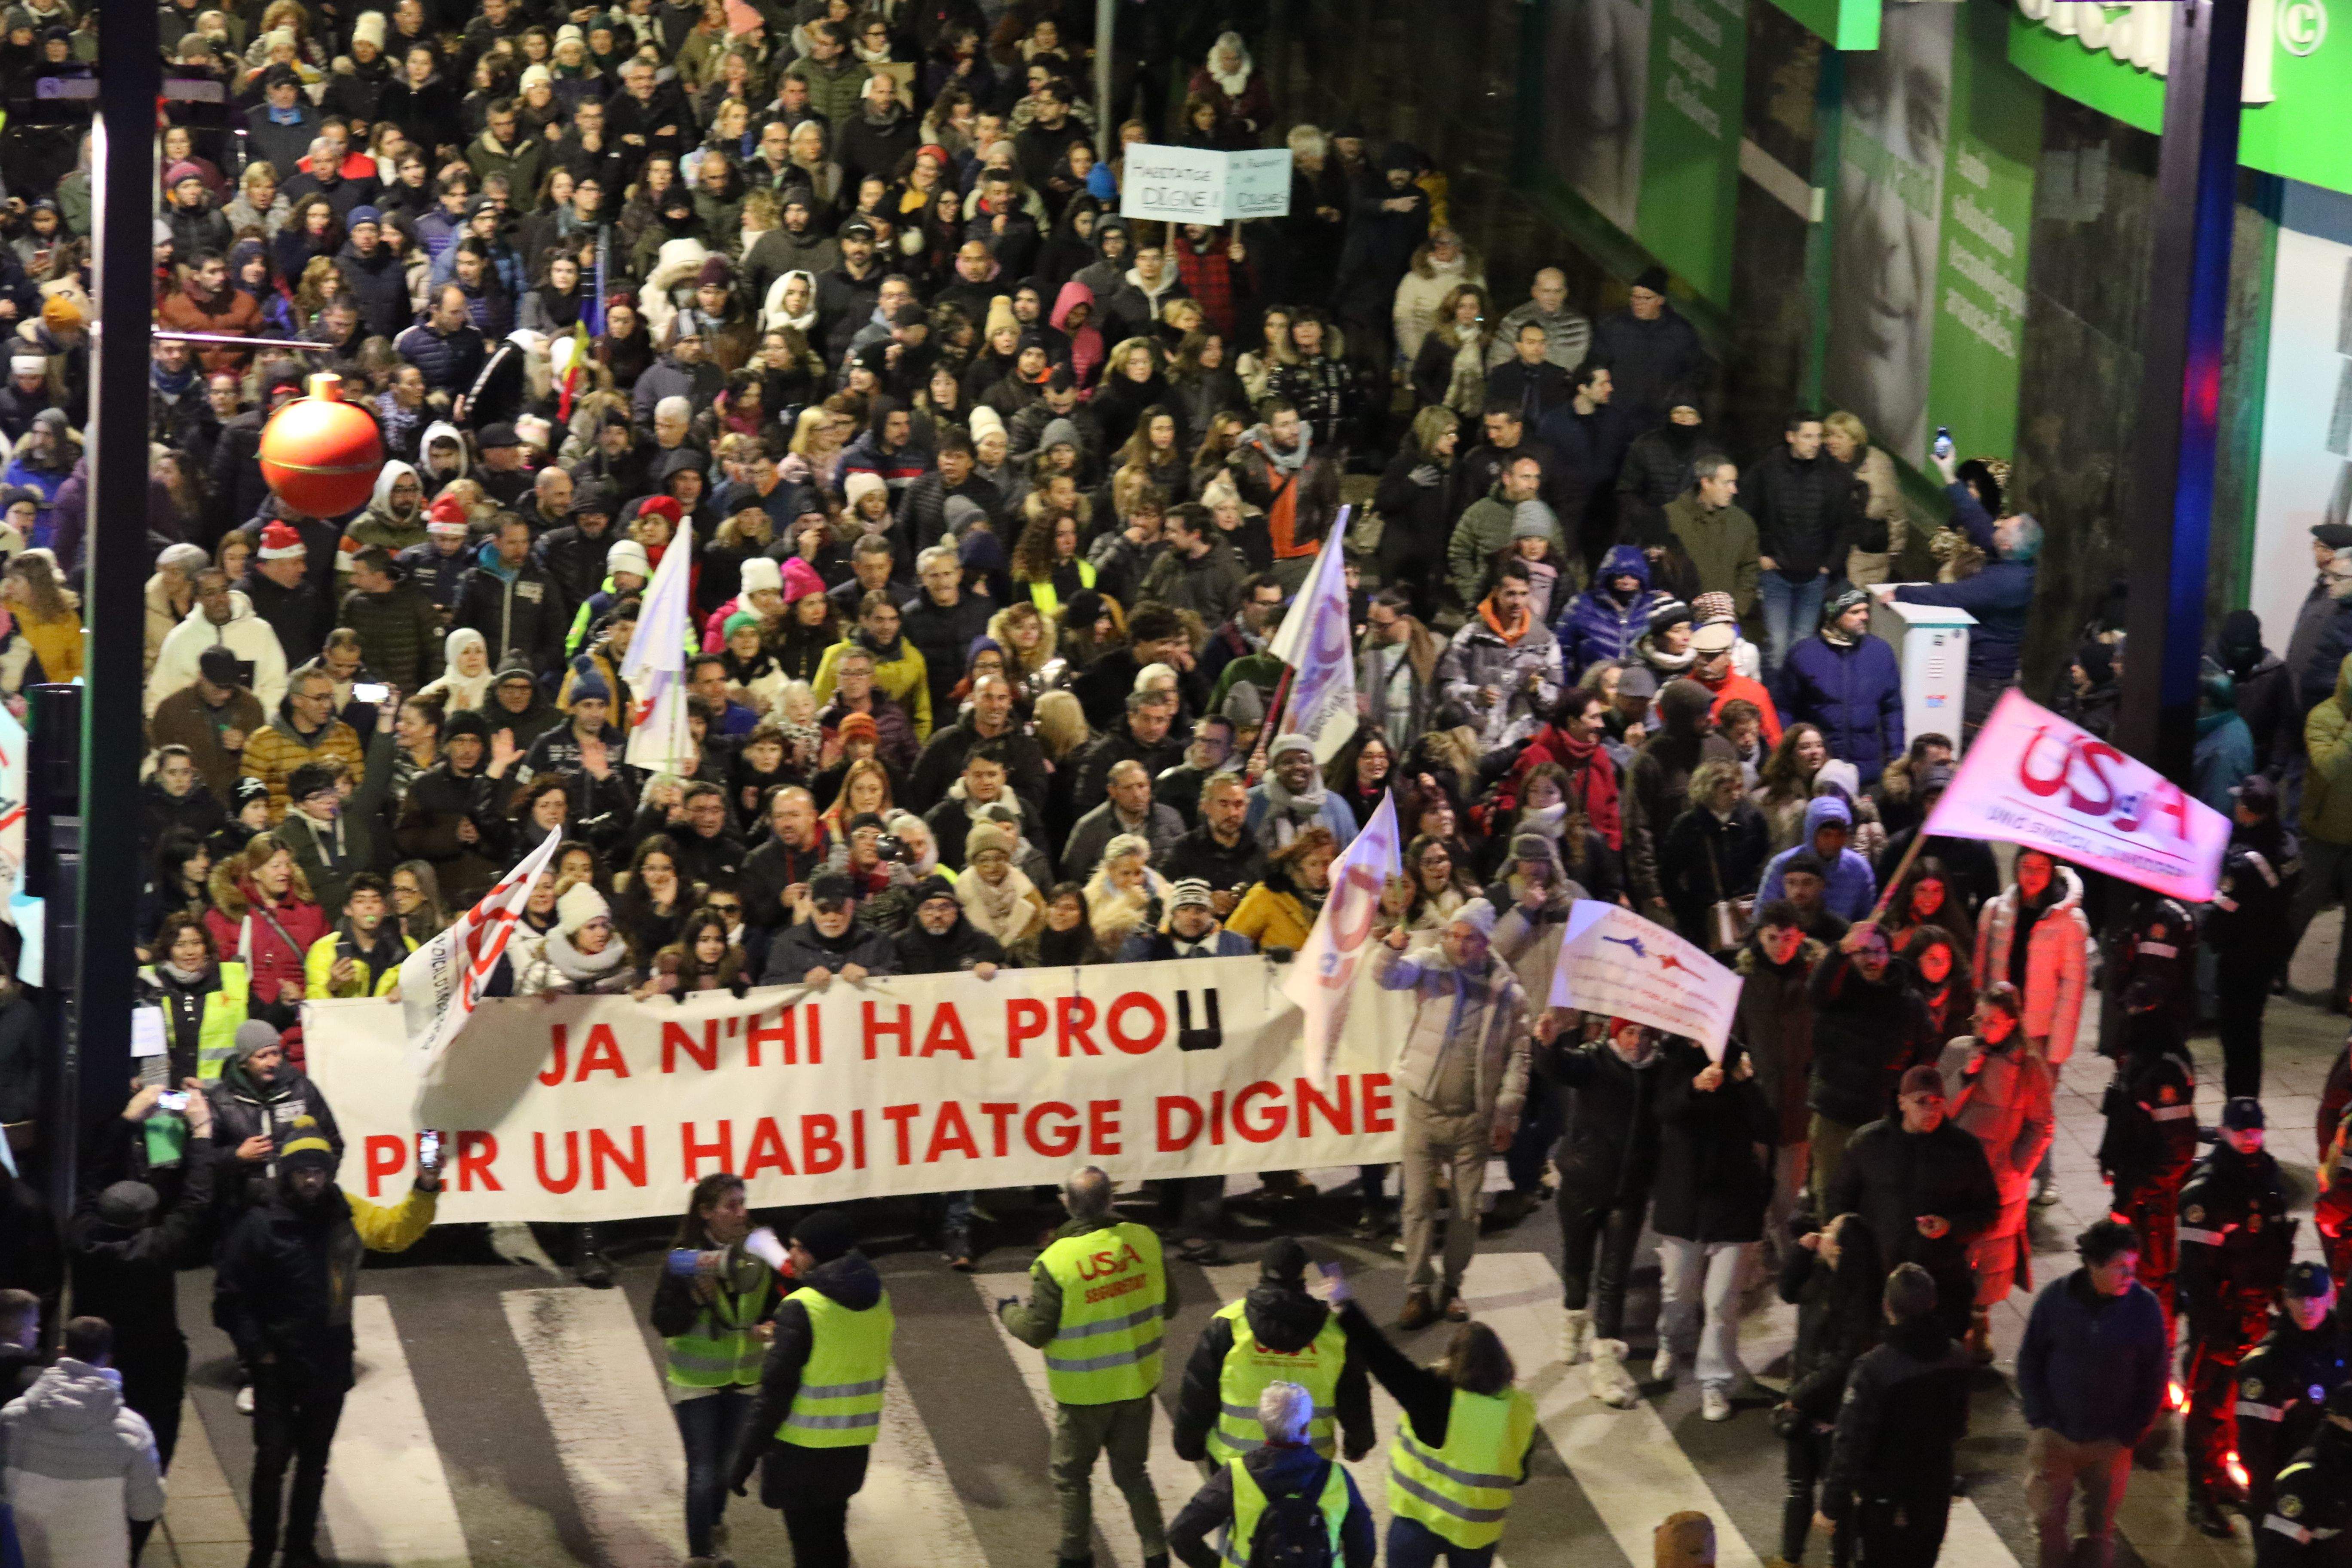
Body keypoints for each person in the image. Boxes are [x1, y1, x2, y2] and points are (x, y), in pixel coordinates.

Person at [212, 1115, 439, 1568]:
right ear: (288, 1174)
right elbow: (229, 1299)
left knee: (313, 1465)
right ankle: (261, 1554)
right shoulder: (259, 1225)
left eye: (319, 1171)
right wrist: (261, 1353)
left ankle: (299, 1550)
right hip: (276, 1370)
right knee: (272, 1466)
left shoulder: (348, 1212)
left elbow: (396, 1233)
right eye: (302, 1172)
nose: (311, 1179)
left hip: (329, 1364)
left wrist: (426, 1187)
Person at [996, 1166, 1175, 1568]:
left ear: (1068, 1204)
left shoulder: (1056, 1261)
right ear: (1112, 1200)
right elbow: (1172, 1304)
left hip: (1084, 1396)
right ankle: (1155, 1551)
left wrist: (1008, 1312)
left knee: (1072, 1478)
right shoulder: (1143, 1240)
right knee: (1133, 1474)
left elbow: (1037, 1330)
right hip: (1137, 1384)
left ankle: (1076, 1555)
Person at [1370, 898, 1531, 1329]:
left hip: (1472, 1121)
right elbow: (1386, 976)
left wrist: (1505, 1115)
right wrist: (1392, 947)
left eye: (1469, 938)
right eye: (1453, 935)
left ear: (1485, 942)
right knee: (1418, 1205)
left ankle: (1453, 1286)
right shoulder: (1430, 965)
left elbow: (1520, 1057)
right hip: (1424, 1109)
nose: (1458, 945)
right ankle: (1418, 1289)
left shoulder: (1508, 993)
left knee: (1466, 1211)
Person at [1324, 1271, 1537, 1568]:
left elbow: (1381, 1356)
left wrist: (1345, 1304)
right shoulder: (1521, 1408)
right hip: (1475, 1533)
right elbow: (1521, 1472)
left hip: (1417, 1523)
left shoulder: (1432, 1394)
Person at [726, 1208, 893, 1568]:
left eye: (799, 1248)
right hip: (851, 1444)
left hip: (802, 1453)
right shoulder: (877, 1297)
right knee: (831, 1540)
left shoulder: (803, 1308)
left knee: (810, 1549)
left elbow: (775, 1393)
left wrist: (745, 1455)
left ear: (820, 1252)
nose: (791, 1256)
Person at [2016, 1219, 2170, 1568]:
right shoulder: (2056, 1300)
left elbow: (2155, 1374)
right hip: (2055, 1436)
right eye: (2120, 1268)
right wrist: (2040, 1418)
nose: (2129, 1276)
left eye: (2132, 1267)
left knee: (2100, 1530)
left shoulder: (2144, 1308)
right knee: (2047, 1521)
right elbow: (2031, 1359)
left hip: (2110, 1443)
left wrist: (2132, 1431)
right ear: (2093, 1265)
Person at [2179, 1096, 2294, 1536]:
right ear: (2224, 1132)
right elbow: (2196, 1271)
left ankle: (2224, 1480)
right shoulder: (2206, 1192)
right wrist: (2215, 1329)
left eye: (2256, 1131)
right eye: (2241, 1131)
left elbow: (2276, 1241)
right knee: (2209, 1406)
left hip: (2257, 1311)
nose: (2250, 1139)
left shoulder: (2267, 1178)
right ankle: (2200, 1495)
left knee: (2240, 1403)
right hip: (2221, 1317)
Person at [651, 1172, 778, 1568]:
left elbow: (783, 1298)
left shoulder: (760, 1249)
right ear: (706, 1214)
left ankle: (714, 1527)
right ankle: (700, 1555)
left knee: (726, 1467)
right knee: (704, 1470)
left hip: (745, 1378)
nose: (742, 1213)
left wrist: (772, 1325)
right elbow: (663, 1321)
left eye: (743, 1203)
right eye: (732, 1206)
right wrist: (694, 1296)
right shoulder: (685, 1259)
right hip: (697, 1381)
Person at [1824, 1063, 1998, 1346]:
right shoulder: (1869, 1143)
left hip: (1942, 1282)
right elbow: (1839, 1199)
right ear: (1902, 1102)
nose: (1931, 1111)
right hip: (1878, 1280)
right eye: (1922, 1102)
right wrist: (1843, 1242)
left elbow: (1989, 1211)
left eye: (1937, 1103)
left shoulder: (1963, 1149)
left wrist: (1950, 1226)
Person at [1650, 1035, 1776, 1421]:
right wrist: (1693, 1088)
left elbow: (1769, 1127)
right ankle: (1672, 1341)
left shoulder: (1738, 1059)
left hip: (1734, 1198)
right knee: (1679, 1289)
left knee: (1722, 1302)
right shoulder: (1668, 1057)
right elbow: (1661, 1111)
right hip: (1683, 1196)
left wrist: (1746, 1084)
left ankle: (1715, 1382)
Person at [1544, 1016, 1667, 1407]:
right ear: (1616, 1033)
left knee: (1615, 1278)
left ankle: (1605, 1365)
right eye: (1630, 1032)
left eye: (1645, 1034)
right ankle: (1573, 1320)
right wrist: (1547, 1046)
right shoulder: (1595, 1060)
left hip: (1629, 1193)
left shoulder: (1659, 1070)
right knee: (1577, 1266)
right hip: (1583, 1184)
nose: (1637, 1042)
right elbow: (1559, 1068)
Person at [1819, 1265, 1976, 1568]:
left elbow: (1851, 1443)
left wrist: (1831, 1504)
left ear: (1887, 1306)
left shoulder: (1874, 1368)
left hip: (1884, 1497)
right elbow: (1959, 1425)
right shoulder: (1957, 1356)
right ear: (1933, 1303)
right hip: (1934, 1490)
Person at [1175, 1236, 1374, 1470]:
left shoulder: (1229, 1325)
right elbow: (1354, 1396)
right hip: (1309, 1467)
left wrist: (1189, 1445)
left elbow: (1199, 1392)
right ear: (1302, 1275)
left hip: (1236, 1467)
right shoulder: (1335, 1333)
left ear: (1261, 1271)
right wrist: (1359, 1443)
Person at [1890, 444, 2042, 735]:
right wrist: (1949, 475)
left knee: (1968, 739)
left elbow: (1950, 595)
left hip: (1985, 684)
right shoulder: (2015, 559)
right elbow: (1978, 520)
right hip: (1983, 672)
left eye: (2002, 528)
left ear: (2007, 544)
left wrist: (1900, 593)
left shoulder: (2005, 583)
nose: (1995, 527)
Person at [1939, 984, 2054, 1362]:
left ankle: (1980, 1320)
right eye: (1979, 1019)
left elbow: (2041, 1125)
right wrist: (1966, 1076)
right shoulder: (1959, 1050)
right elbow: (1935, 1108)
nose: (1984, 1028)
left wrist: (2017, 1167)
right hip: (1955, 1170)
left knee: (1990, 1254)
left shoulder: (2029, 1069)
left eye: (1993, 1021)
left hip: (2000, 1176)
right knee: (1950, 1247)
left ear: (2012, 1023)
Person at [0, 1317, 165, 1568]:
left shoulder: (13, 1416)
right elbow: (146, 1509)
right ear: (109, 1359)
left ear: (62, 1353)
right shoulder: (133, 1431)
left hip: (23, 1555)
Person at [1167, 1380, 1376, 1568]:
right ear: (1305, 1427)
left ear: (1264, 1425)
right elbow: (1363, 1549)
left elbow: (1181, 1535)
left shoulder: (1237, 1476)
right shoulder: (1337, 1478)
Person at [1775, 1211, 1881, 1568]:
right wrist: (1800, 1254)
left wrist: (1798, 1396)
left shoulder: (1859, 1301)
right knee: (1798, 1487)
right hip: (1804, 1398)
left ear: (1842, 1250)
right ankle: (1790, 1559)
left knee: (1837, 1501)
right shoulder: (1819, 1277)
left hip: (1831, 1408)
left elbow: (1842, 1362)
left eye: (1830, 1231)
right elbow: (1788, 1291)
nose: (1821, 1232)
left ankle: (1841, 1562)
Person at [2236, 1263, 2350, 1531]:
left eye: (2315, 1297)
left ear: (2330, 1297)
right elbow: (2255, 1448)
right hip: (2288, 1491)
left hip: (2340, 1490)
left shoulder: (2346, 1348)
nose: (2307, 1306)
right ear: (2286, 1300)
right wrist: (2269, 1501)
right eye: (2298, 1298)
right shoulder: (2266, 1363)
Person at [2211, 775, 2300, 1097]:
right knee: (2251, 1034)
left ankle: (2239, 1116)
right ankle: (2245, 1114)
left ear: (2249, 813)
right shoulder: (2288, 844)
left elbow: (2220, 916)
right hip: (2271, 948)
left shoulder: (2244, 864)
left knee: (2237, 1042)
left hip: (2242, 957)